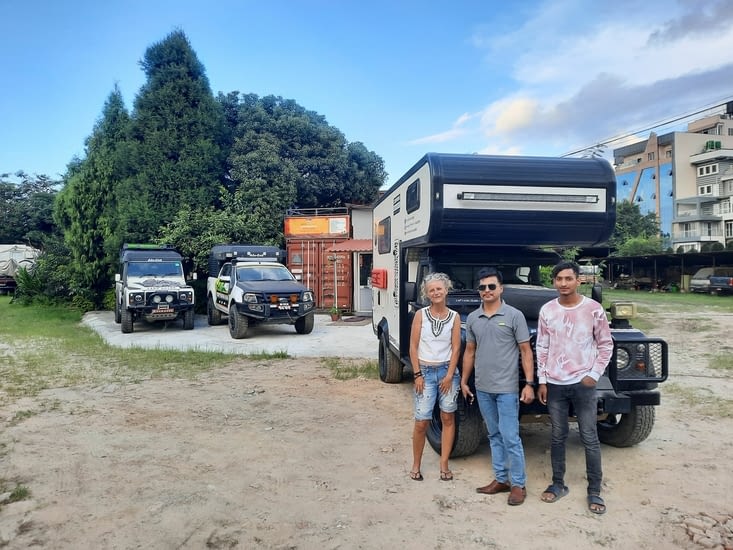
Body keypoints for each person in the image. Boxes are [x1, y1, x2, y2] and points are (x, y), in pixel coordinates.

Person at [536, 260, 613, 515]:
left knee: (589, 436)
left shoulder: (593, 309)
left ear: (578, 280)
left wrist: (594, 374)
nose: (563, 283)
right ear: (553, 282)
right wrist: (542, 380)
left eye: (568, 278)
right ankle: (558, 483)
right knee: (558, 436)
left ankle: (595, 490)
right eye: (559, 279)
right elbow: (542, 347)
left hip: (583, 384)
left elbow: (606, 344)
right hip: (555, 384)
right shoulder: (548, 310)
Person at [461, 267, 535, 506]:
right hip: (483, 388)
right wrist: (464, 380)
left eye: (491, 286)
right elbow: (470, 351)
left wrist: (529, 384)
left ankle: (518, 485)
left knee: (510, 436)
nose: (487, 290)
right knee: (493, 434)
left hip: (507, 389)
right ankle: (501, 479)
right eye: (482, 287)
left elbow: (526, 351)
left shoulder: (514, 316)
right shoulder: (473, 318)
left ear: (501, 289)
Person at [409, 272, 461, 482]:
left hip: (447, 372)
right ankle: (416, 464)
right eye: (431, 290)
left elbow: (456, 348)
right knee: (422, 421)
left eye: (439, 288)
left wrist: (449, 375)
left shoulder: (454, 317)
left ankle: (444, 464)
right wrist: (417, 375)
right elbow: (413, 347)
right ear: (427, 294)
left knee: (448, 417)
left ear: (446, 290)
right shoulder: (420, 315)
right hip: (425, 372)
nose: (436, 292)